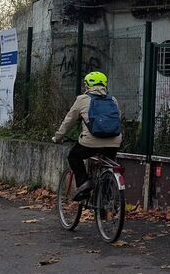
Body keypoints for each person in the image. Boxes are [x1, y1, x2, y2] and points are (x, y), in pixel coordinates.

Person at [52, 71, 122, 199]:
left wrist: (57, 137)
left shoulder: (82, 99)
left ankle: (84, 182)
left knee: (74, 156)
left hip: (90, 143)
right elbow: (118, 120)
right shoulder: (113, 100)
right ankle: (105, 200)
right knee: (108, 166)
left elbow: (68, 122)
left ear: (87, 85)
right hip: (114, 142)